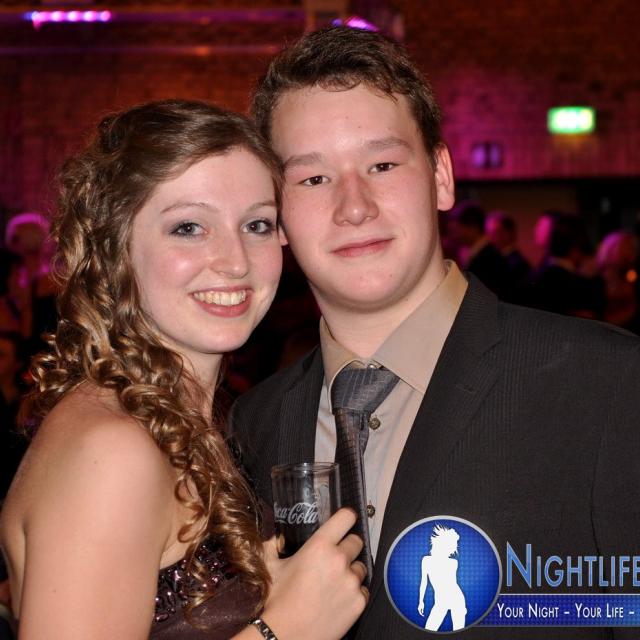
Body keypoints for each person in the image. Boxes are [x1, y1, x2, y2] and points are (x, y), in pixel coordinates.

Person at [230, 25, 640, 639]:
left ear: (441, 176)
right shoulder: (251, 427)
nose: (354, 206)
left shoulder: (605, 384)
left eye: (382, 164)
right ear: (277, 214)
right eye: (313, 179)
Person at [0, 100, 367, 640]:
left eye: (257, 224)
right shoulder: (112, 452)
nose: (236, 260)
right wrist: (285, 628)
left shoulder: (180, 422)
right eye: (189, 227)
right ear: (114, 248)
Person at [417, 525, 466, 632]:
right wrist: (421, 601)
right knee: (429, 629)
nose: (453, 549)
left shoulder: (453, 563)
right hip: (440, 601)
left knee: (458, 632)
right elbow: (423, 582)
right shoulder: (426, 560)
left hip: (456, 599)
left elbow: (452, 584)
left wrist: (462, 608)